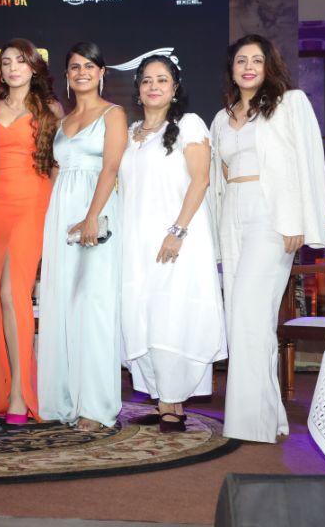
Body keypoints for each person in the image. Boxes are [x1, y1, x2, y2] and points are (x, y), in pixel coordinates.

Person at [210, 34, 325, 443]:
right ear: (232, 69)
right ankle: (270, 416)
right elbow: (218, 177)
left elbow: (308, 163)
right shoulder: (222, 117)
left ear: (268, 66)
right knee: (244, 320)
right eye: (241, 60)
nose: (248, 67)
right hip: (232, 216)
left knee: (249, 314)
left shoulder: (290, 103)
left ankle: (249, 423)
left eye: (256, 60)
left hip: (271, 216)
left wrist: (300, 221)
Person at [119, 55, 226, 433]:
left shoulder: (188, 124)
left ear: (175, 88)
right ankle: (166, 400)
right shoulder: (130, 133)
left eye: (162, 80)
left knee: (172, 317)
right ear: (138, 88)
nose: (153, 87)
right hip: (136, 242)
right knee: (143, 315)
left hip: (177, 238)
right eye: (147, 80)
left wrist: (177, 231)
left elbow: (200, 180)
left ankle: (173, 402)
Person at [37, 42, 127, 432]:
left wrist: (92, 216)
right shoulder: (63, 121)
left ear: (102, 72)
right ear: (67, 75)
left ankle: (96, 405)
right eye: (74, 67)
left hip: (96, 210)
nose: (82, 72)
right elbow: (56, 173)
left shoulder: (113, 114)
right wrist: (50, 221)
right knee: (62, 303)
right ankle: (62, 400)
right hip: (61, 213)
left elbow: (111, 167)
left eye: (89, 66)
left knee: (94, 305)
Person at [0, 38, 62, 424]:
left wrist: (61, 213)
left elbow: (58, 165)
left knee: (12, 295)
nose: (13, 68)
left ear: (34, 67)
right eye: (6, 62)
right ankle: (5, 389)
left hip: (33, 203)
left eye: (20, 61)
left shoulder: (49, 110)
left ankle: (19, 393)